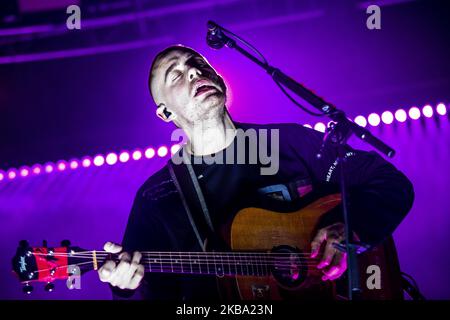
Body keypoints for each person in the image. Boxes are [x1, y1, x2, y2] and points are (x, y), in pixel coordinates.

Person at [97, 45, 414, 300]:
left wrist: (350, 228)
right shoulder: (157, 196)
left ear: (219, 78)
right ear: (165, 112)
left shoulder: (290, 142)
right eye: (175, 75)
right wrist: (126, 288)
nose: (193, 71)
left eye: (198, 63)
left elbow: (389, 183)